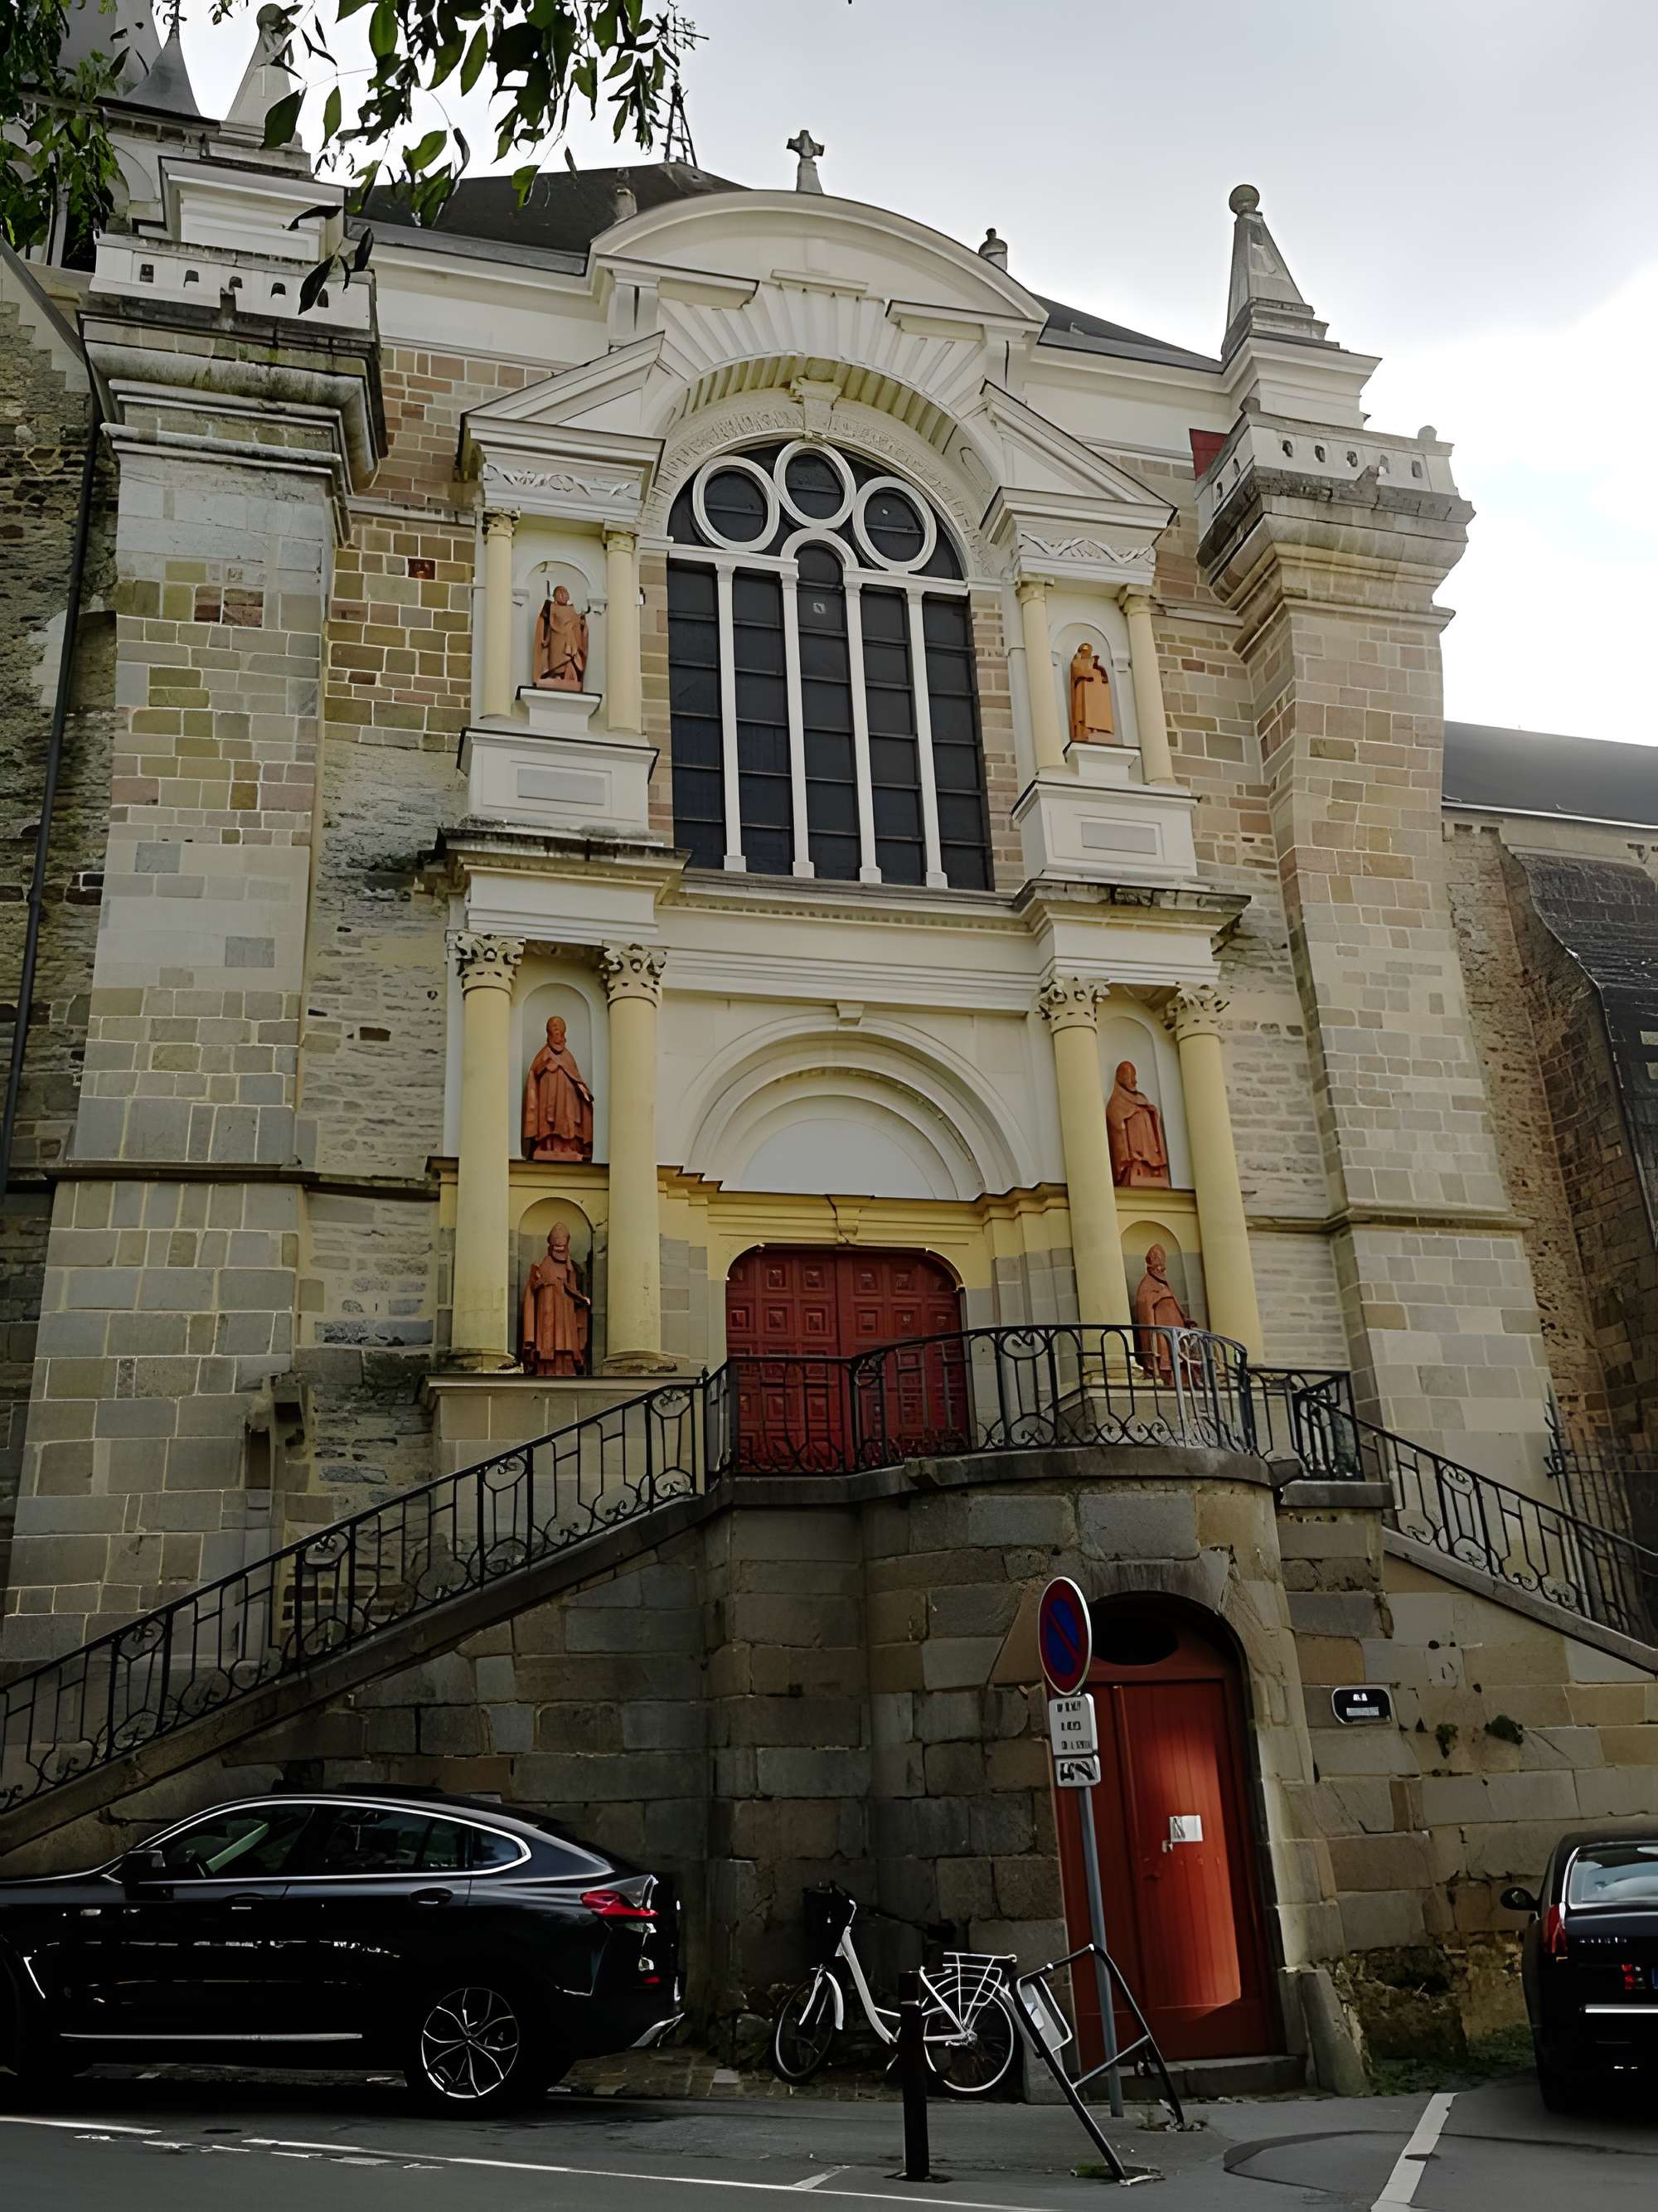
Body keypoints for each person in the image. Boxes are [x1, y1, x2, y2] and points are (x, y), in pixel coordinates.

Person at [520, 1225, 591, 1376]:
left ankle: (568, 1368)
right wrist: (540, 1280)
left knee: (566, 1343)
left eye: (562, 1247)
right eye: (557, 1247)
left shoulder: (569, 1267)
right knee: (548, 1342)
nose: (560, 1250)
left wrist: (581, 1299)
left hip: (565, 1312)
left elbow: (570, 1287)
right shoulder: (544, 1264)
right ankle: (545, 1369)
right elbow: (533, 1288)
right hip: (548, 1311)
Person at [521, 1016, 594, 1162]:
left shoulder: (568, 1056)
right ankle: (547, 1147)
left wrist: (583, 1092)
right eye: (553, 1027)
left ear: (563, 1032)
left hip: (567, 1103)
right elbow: (534, 1076)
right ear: (548, 1032)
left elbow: (576, 1078)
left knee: (568, 1120)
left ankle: (567, 1147)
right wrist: (545, 1065)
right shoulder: (543, 1054)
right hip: (548, 1101)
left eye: (559, 1027)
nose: (556, 1029)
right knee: (548, 1124)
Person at [1106, 1061, 1170, 1187]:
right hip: (1133, 1156)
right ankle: (1137, 1163)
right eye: (1130, 1077)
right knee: (1136, 1117)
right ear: (1121, 1078)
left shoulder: (1141, 1097)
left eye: (1134, 1077)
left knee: (1143, 1114)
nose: (1135, 1081)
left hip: (1149, 1146)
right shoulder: (1115, 1103)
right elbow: (1118, 1127)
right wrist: (1132, 1113)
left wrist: (1150, 1111)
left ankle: (1152, 1166)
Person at [1132, 1244, 1190, 1385]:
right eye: (1156, 1257)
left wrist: (1184, 1318)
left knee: (1179, 1350)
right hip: (1161, 1329)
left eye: (1161, 1257)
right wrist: (1159, 1296)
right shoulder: (1146, 1283)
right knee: (1163, 1347)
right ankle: (1164, 1373)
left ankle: (1181, 1374)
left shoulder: (1163, 1283)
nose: (1160, 1265)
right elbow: (1144, 1304)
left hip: (1174, 1328)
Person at [533, 583, 589, 691]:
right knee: (556, 659)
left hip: (569, 638)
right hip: (556, 637)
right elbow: (551, 622)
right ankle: (556, 675)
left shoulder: (571, 608)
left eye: (564, 593)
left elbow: (576, 619)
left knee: (569, 658)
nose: (563, 596)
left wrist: (580, 620)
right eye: (560, 593)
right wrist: (559, 630)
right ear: (555, 596)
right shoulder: (553, 607)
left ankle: (569, 676)